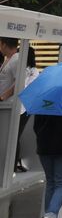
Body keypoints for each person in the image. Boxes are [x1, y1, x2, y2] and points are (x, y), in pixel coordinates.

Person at [0, 38, 26, 173]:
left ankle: (10, 168)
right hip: (5, 104)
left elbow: (19, 81)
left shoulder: (16, 60)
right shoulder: (8, 59)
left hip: (10, 105)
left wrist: (4, 95)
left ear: (4, 44)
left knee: (11, 137)